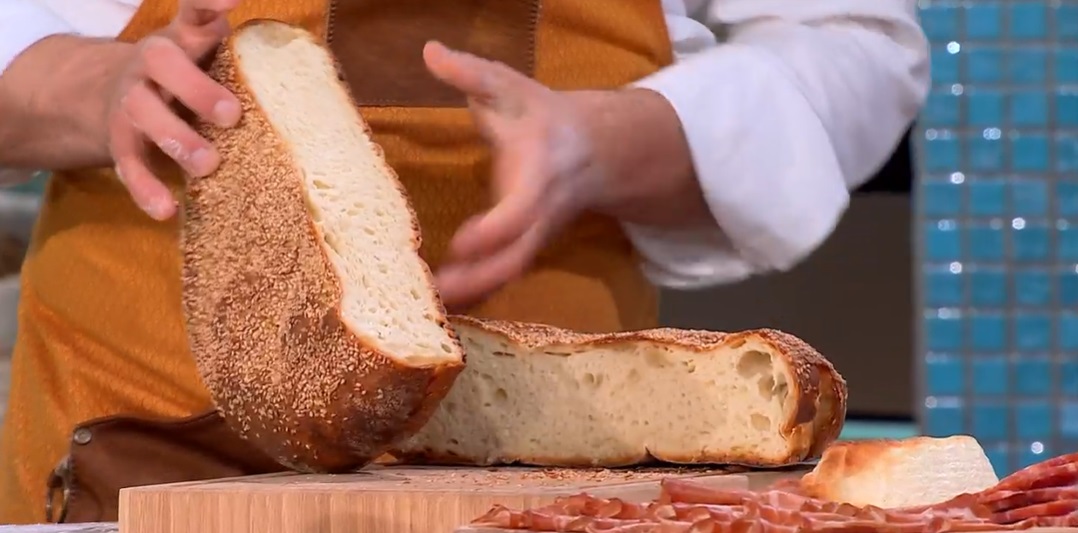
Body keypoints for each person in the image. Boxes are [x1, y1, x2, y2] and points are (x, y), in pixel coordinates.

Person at [0, 0, 928, 524]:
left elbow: (856, 45)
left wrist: (611, 141)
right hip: (134, 433)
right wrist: (96, 82)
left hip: (555, 459)